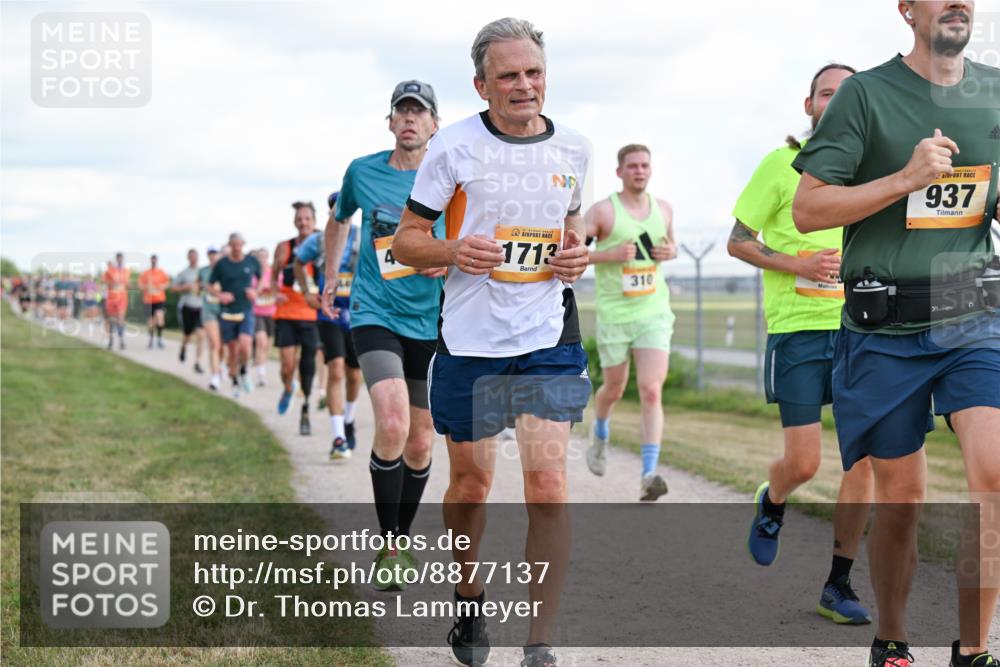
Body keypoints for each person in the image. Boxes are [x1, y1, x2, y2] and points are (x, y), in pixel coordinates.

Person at [792, 2, 999, 665]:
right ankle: (892, 634)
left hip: (972, 316)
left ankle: (972, 648)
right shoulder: (864, 95)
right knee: (902, 498)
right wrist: (906, 179)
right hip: (884, 328)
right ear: (907, 8)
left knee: (993, 473)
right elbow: (809, 209)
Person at [393, 18, 591, 667]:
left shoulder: (575, 148)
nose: (523, 85)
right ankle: (470, 597)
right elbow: (404, 241)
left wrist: (574, 255)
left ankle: (541, 639)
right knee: (472, 485)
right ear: (482, 85)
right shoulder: (453, 148)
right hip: (473, 340)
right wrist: (454, 248)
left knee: (549, 483)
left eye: (533, 72)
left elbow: (569, 228)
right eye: (508, 75)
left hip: (546, 333)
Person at [727, 63, 875, 625]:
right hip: (797, 329)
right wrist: (799, 263)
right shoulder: (780, 164)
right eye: (827, 94)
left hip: (864, 328)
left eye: (848, 95)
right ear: (809, 105)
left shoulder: (873, 170)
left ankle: (838, 583)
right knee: (807, 461)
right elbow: (739, 242)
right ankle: (775, 498)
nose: (837, 103)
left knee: (862, 459)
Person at [321, 79, 444, 591]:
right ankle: (390, 542)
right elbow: (338, 220)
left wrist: (449, 259)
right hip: (375, 313)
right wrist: (331, 275)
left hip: (433, 322)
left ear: (435, 125)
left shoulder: (451, 179)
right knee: (391, 421)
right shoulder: (362, 171)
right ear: (391, 122)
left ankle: (403, 534)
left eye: (420, 112)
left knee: (420, 441)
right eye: (402, 112)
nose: (410, 119)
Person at [584, 144, 677, 501]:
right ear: (619, 171)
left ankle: (649, 473)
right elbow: (574, 251)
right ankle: (601, 429)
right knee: (614, 389)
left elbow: (672, 247)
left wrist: (671, 252)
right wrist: (608, 254)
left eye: (645, 165)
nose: (640, 171)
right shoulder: (603, 211)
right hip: (615, 315)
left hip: (653, 311)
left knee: (652, 389)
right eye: (633, 166)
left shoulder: (664, 209)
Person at [296, 191, 364, 459]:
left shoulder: (363, 235)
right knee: (335, 368)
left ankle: (348, 420)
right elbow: (299, 262)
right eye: (336, 209)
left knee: (353, 374)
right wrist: (307, 291)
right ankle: (338, 438)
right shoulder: (318, 240)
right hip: (329, 313)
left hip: (360, 314)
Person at [273, 201, 321, 434]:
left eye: (307, 219)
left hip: (312, 314)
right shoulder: (284, 247)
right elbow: (273, 277)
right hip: (287, 313)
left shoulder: (324, 243)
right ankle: (287, 387)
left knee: (307, 365)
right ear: (295, 221)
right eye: (300, 219)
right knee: (287, 365)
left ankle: (305, 407)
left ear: (314, 221)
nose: (303, 223)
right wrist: (275, 293)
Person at [208, 233, 261, 398]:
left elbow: (263, 279)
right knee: (232, 350)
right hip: (228, 311)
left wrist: (255, 291)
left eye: (240, 244)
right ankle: (235, 382)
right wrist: (220, 295)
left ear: (243, 244)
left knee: (246, 344)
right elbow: (209, 285)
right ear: (230, 245)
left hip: (245, 308)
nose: (237, 247)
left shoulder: (251, 261)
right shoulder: (222, 264)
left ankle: (244, 370)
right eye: (234, 244)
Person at [173, 248, 205, 373]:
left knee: (201, 335)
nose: (194, 258)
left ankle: (198, 363)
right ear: (188, 258)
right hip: (187, 306)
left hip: (200, 307)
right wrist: (185, 287)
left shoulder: (202, 272)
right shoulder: (183, 273)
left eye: (196, 256)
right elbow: (173, 288)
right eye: (192, 256)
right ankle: (183, 348)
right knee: (188, 335)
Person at [200, 246, 225, 391]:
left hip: (224, 310)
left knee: (223, 345)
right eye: (211, 253)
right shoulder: (203, 271)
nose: (213, 256)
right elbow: (198, 285)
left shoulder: (227, 270)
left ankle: (221, 365)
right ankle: (215, 376)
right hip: (209, 310)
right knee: (214, 344)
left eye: (215, 253)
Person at [252, 247, 277, 387]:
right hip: (257, 313)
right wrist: (261, 283)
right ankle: (261, 374)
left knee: (267, 344)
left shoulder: (274, 273)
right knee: (261, 342)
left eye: (264, 256)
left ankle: (262, 364)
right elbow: (252, 291)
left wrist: (271, 288)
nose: (262, 259)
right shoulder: (253, 274)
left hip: (271, 313)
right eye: (259, 256)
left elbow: (278, 289)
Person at [139, 254, 170, 349]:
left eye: (155, 260)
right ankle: (151, 340)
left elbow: (167, 283)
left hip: (159, 299)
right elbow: (140, 285)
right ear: (150, 261)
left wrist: (162, 287)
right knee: (151, 322)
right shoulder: (145, 273)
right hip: (148, 300)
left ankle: (159, 339)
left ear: (157, 261)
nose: (154, 262)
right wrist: (147, 287)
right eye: (152, 260)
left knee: (160, 318)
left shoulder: (161, 272)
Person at [102, 253, 130, 350]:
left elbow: (127, 284)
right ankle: (111, 340)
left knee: (121, 319)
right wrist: (113, 283)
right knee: (112, 320)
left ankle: (121, 341)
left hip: (122, 298)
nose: (120, 260)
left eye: (121, 259)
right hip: (111, 298)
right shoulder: (110, 271)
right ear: (116, 259)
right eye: (118, 259)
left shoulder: (126, 271)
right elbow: (105, 282)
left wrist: (125, 286)